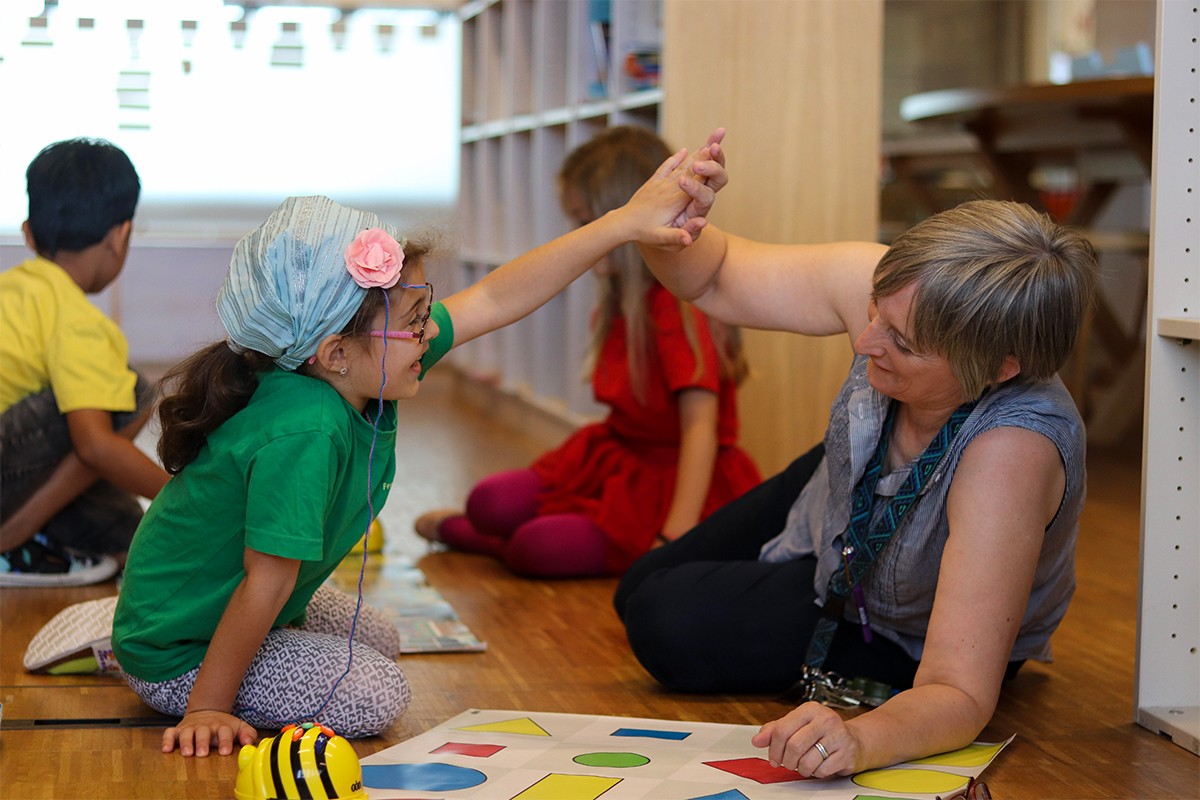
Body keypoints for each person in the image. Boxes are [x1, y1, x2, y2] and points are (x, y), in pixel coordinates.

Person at [111, 136, 721, 759]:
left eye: (427, 310)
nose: (430, 333)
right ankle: (141, 657)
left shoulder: (348, 371)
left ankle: (135, 639)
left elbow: (496, 296)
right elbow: (266, 584)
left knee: (380, 638)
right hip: (178, 650)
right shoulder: (308, 429)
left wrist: (620, 226)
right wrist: (208, 709)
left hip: (201, 609)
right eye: (415, 320)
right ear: (336, 353)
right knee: (377, 695)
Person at [613, 142, 1098, 777]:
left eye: (902, 342)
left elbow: (959, 690)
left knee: (662, 620)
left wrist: (861, 740)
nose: (865, 341)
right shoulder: (903, 292)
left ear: (1001, 368)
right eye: (876, 312)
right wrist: (668, 217)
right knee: (635, 589)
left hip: (906, 630)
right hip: (840, 496)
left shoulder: (1011, 452)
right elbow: (711, 275)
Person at [414, 127, 760, 578]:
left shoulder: (675, 310)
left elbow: (700, 429)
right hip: (614, 457)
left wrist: (673, 538)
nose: (584, 237)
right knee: (490, 502)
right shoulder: (619, 302)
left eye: (586, 221)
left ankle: (495, 540)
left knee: (534, 550)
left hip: (675, 481)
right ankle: (503, 533)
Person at [0, 138, 170, 587]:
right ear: (121, 236)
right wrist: (186, 498)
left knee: (128, 525)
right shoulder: (78, 320)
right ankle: (15, 539)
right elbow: (94, 446)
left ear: (29, 233)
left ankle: (44, 541)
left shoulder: (14, 289)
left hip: (15, 468)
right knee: (132, 393)